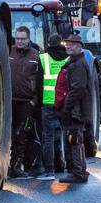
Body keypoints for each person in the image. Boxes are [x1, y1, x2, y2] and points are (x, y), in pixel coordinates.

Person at [56, 32, 93, 183]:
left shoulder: (77, 65)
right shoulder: (75, 62)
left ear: (79, 47)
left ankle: (76, 172)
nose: (69, 46)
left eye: (73, 45)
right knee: (76, 139)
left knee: (73, 140)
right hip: (77, 109)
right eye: (68, 44)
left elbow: (77, 89)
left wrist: (66, 107)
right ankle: (80, 170)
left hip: (76, 111)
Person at [9, 25, 44, 178]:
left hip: (26, 102)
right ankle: (7, 164)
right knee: (9, 134)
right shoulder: (8, 52)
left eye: (23, 39)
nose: (20, 41)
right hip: (9, 100)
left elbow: (41, 80)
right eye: (17, 38)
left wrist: (35, 101)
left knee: (22, 135)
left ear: (28, 39)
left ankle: (17, 166)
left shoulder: (36, 56)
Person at [38, 33, 69, 180]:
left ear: (48, 44)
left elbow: (38, 83)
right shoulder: (69, 59)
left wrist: (38, 101)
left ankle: (50, 170)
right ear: (61, 43)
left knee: (48, 137)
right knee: (66, 135)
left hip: (48, 102)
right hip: (65, 103)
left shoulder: (43, 58)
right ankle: (69, 166)